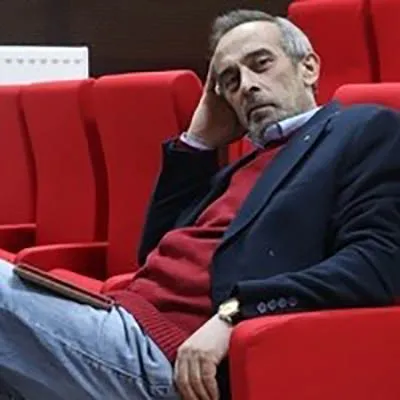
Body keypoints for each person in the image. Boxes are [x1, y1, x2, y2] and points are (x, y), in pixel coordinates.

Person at [1, 8, 400, 400]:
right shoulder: (244, 161)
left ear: (308, 67)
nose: (247, 86)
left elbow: (377, 263)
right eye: (230, 80)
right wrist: (197, 142)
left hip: (172, 357)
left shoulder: (361, 130)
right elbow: (153, 252)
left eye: (261, 64)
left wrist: (236, 312)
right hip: (119, 319)